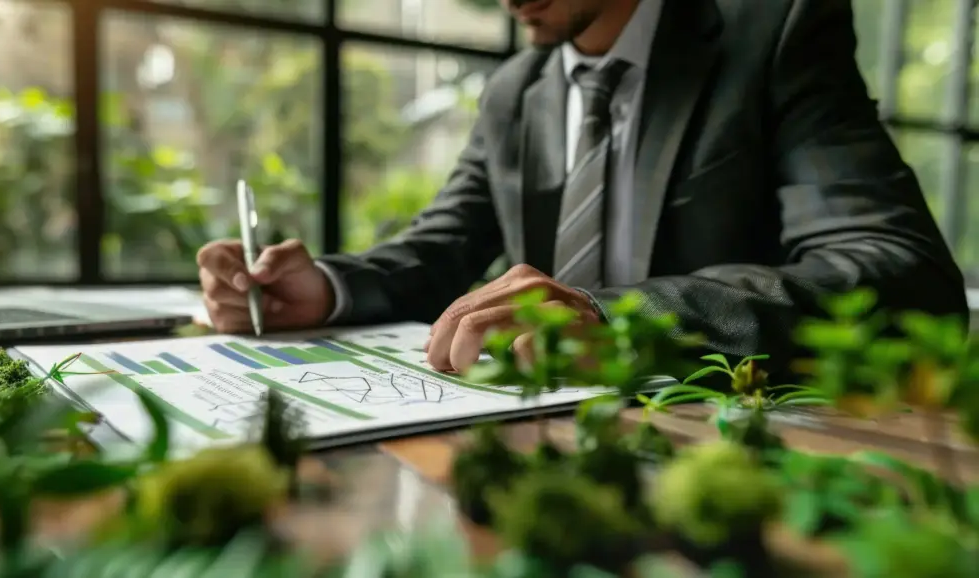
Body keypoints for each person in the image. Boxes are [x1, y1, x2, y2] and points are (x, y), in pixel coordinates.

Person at [197, 0, 968, 377]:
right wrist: (327, 287)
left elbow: (902, 273)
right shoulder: (516, 91)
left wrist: (617, 318)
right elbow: (444, 245)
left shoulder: (774, 34)